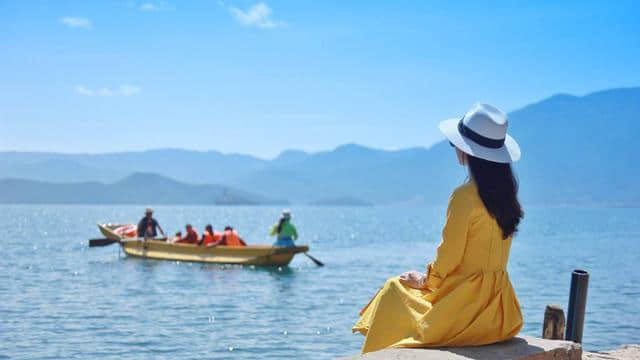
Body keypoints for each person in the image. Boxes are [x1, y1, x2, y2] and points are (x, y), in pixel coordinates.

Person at [353, 103, 524, 353]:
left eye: (455, 144)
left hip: (466, 313)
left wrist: (423, 279)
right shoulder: (507, 196)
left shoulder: (465, 196)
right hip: (500, 316)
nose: (455, 149)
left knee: (393, 288)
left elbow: (449, 256)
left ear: (469, 151)